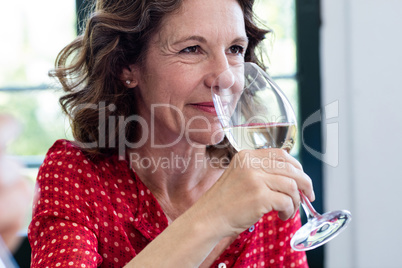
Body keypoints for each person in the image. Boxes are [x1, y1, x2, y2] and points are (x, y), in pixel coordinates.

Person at [28, 0, 315, 267]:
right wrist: (215, 215)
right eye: (192, 49)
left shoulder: (260, 180)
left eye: (235, 49)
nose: (226, 76)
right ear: (127, 65)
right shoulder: (76, 176)